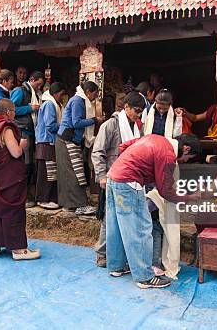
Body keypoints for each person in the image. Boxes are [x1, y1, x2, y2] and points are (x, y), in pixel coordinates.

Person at [106, 133, 200, 288]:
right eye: (187, 158)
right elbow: (166, 192)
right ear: (186, 149)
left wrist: (132, 166)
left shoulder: (154, 138)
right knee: (140, 229)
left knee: (116, 226)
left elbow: (123, 146)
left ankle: (117, 267)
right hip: (129, 183)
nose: (183, 162)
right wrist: (189, 197)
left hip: (114, 177)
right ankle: (144, 277)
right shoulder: (168, 154)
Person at [0, 99, 40, 259]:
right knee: (14, 211)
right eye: (14, 111)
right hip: (8, 179)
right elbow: (16, 152)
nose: (15, 113)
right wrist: (23, 145)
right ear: (8, 112)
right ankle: (19, 249)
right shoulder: (6, 128)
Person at [91, 91, 146, 267]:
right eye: (136, 110)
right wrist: (101, 176)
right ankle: (102, 253)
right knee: (110, 219)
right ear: (126, 107)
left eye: (140, 111)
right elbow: (98, 152)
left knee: (129, 219)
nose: (138, 114)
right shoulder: (110, 125)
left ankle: (122, 255)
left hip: (132, 180)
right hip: (112, 179)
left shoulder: (138, 127)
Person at [56, 81, 104, 215]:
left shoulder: (79, 100)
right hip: (67, 140)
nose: (95, 97)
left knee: (70, 173)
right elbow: (76, 122)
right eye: (95, 94)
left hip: (69, 140)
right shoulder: (78, 101)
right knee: (74, 174)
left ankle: (69, 204)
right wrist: (95, 120)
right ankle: (78, 205)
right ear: (88, 92)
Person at [11, 71, 44, 207]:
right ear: (32, 80)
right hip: (22, 130)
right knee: (25, 163)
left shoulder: (35, 93)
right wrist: (29, 108)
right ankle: (21, 195)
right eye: (38, 84)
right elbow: (11, 109)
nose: (39, 87)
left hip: (31, 131)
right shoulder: (20, 91)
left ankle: (26, 194)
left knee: (30, 163)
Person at [34, 82, 66, 209]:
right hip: (46, 141)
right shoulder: (49, 104)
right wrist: (65, 125)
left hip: (50, 142)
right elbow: (50, 125)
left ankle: (50, 198)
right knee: (45, 172)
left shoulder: (55, 104)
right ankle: (42, 199)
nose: (63, 98)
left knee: (51, 171)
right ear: (56, 93)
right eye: (62, 95)